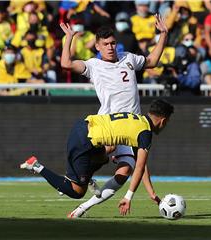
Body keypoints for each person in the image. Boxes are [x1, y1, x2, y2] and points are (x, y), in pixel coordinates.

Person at [59, 14, 168, 218]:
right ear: (98, 47)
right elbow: (66, 63)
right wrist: (69, 38)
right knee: (104, 152)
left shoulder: (129, 58)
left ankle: (84, 207)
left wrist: (163, 34)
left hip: (132, 124)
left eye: (113, 43)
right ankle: (86, 175)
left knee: (127, 169)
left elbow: (152, 61)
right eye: (106, 44)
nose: (110, 47)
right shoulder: (93, 65)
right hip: (108, 122)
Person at [20, 99, 174, 216]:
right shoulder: (145, 133)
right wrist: (128, 197)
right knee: (77, 192)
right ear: (163, 120)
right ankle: (36, 166)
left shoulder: (137, 119)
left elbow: (139, 165)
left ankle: (86, 179)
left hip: (83, 126)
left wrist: (151, 193)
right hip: (84, 141)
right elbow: (139, 167)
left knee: (103, 158)